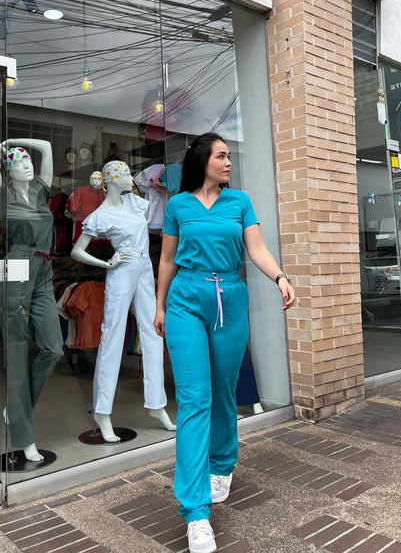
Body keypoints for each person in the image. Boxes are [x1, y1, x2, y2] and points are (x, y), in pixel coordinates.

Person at [154, 133, 295, 553]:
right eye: (221, 156)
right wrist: (160, 306)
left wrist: (281, 277)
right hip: (186, 300)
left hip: (230, 299)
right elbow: (167, 259)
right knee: (194, 398)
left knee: (223, 389)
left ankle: (222, 463)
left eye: (229, 155)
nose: (229, 161)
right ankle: (196, 513)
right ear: (203, 161)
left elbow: (257, 248)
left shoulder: (240, 202)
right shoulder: (178, 206)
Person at [71, 160, 175, 443]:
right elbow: (77, 251)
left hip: (144, 270)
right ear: (112, 180)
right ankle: (102, 411)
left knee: (153, 332)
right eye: (127, 174)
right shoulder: (101, 215)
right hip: (121, 271)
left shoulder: (134, 203)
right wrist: (107, 263)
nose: (132, 178)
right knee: (112, 337)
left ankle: (157, 404)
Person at [0, 139, 63, 462]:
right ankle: (25, 440)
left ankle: (16, 408)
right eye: (18, 163)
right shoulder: (4, 193)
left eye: (28, 161)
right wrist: (1, 150)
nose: (27, 165)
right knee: (17, 355)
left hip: (44, 269)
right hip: (16, 266)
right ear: (8, 172)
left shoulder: (40, 191)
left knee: (53, 348)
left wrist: (15, 143)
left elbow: (47, 148)